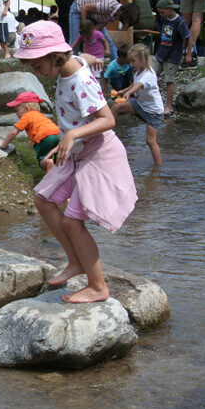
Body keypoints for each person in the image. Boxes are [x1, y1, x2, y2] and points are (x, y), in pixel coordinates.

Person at [14, 20, 137, 304]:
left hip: (97, 153)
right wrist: (60, 144)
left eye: (37, 65)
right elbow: (89, 58)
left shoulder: (79, 81)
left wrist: (72, 137)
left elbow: (108, 120)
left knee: (72, 220)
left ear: (56, 56)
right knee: (43, 200)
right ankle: (76, 261)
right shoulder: (72, 65)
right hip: (75, 149)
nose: (36, 72)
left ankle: (98, 286)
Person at [111, 44, 163, 165]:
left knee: (150, 141)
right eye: (130, 61)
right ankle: (108, 134)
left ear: (142, 59)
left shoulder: (148, 74)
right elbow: (134, 84)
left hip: (153, 111)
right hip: (140, 104)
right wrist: (123, 91)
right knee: (116, 107)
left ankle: (158, 167)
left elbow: (139, 85)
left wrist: (128, 94)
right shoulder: (138, 71)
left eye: (133, 61)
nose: (131, 64)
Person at [0, 91, 61, 173]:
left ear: (27, 109)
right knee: (59, 160)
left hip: (45, 138)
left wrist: (3, 145)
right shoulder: (41, 115)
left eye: (17, 110)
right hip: (59, 135)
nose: (16, 113)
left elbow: (13, 132)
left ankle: (48, 165)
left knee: (43, 159)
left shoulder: (27, 116)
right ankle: (60, 175)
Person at [69, 0, 140, 61]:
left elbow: (100, 26)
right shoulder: (108, 5)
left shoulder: (116, 15)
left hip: (93, 15)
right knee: (75, 40)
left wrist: (92, 31)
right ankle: (71, 65)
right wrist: (85, 27)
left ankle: (117, 64)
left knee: (109, 42)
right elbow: (84, 8)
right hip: (78, 9)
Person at [153, 0, 190, 115]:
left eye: (162, 12)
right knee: (152, 74)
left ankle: (169, 105)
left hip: (173, 55)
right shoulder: (164, 19)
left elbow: (187, 38)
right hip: (161, 53)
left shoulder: (179, 22)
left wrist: (187, 54)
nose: (161, 14)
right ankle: (154, 102)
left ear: (170, 9)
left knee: (169, 80)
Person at [71, 19, 108, 88]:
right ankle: (88, 86)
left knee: (96, 73)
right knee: (87, 72)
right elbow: (77, 42)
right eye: (84, 35)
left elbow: (105, 41)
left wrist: (107, 49)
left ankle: (97, 88)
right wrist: (70, 49)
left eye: (87, 34)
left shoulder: (97, 34)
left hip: (98, 56)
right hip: (88, 57)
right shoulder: (82, 35)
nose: (86, 36)